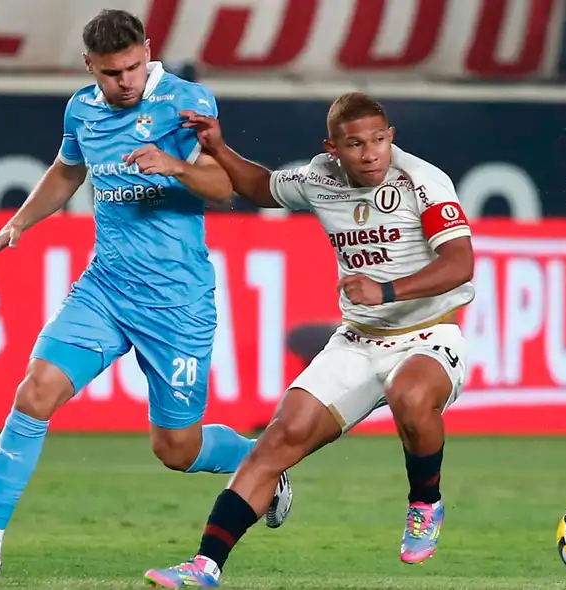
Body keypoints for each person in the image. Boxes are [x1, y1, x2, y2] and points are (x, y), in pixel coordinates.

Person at [0, 9, 292, 582]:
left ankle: (261, 460)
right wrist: (17, 225)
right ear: (88, 66)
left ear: (148, 50)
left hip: (176, 303)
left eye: (132, 67)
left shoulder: (187, 101)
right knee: (34, 393)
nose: (125, 82)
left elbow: (226, 187)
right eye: (111, 73)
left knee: (176, 449)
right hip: (105, 290)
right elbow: (67, 172)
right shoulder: (81, 110)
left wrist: (174, 166)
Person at [144, 92, 475, 588]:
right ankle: (204, 566)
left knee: (409, 394)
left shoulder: (423, 181)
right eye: (355, 144)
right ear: (332, 148)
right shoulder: (321, 178)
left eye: (378, 140)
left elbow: (460, 263)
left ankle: (425, 502)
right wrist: (219, 147)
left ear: (391, 137)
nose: (370, 154)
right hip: (357, 341)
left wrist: (384, 290)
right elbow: (261, 187)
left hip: (429, 334)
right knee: (277, 440)